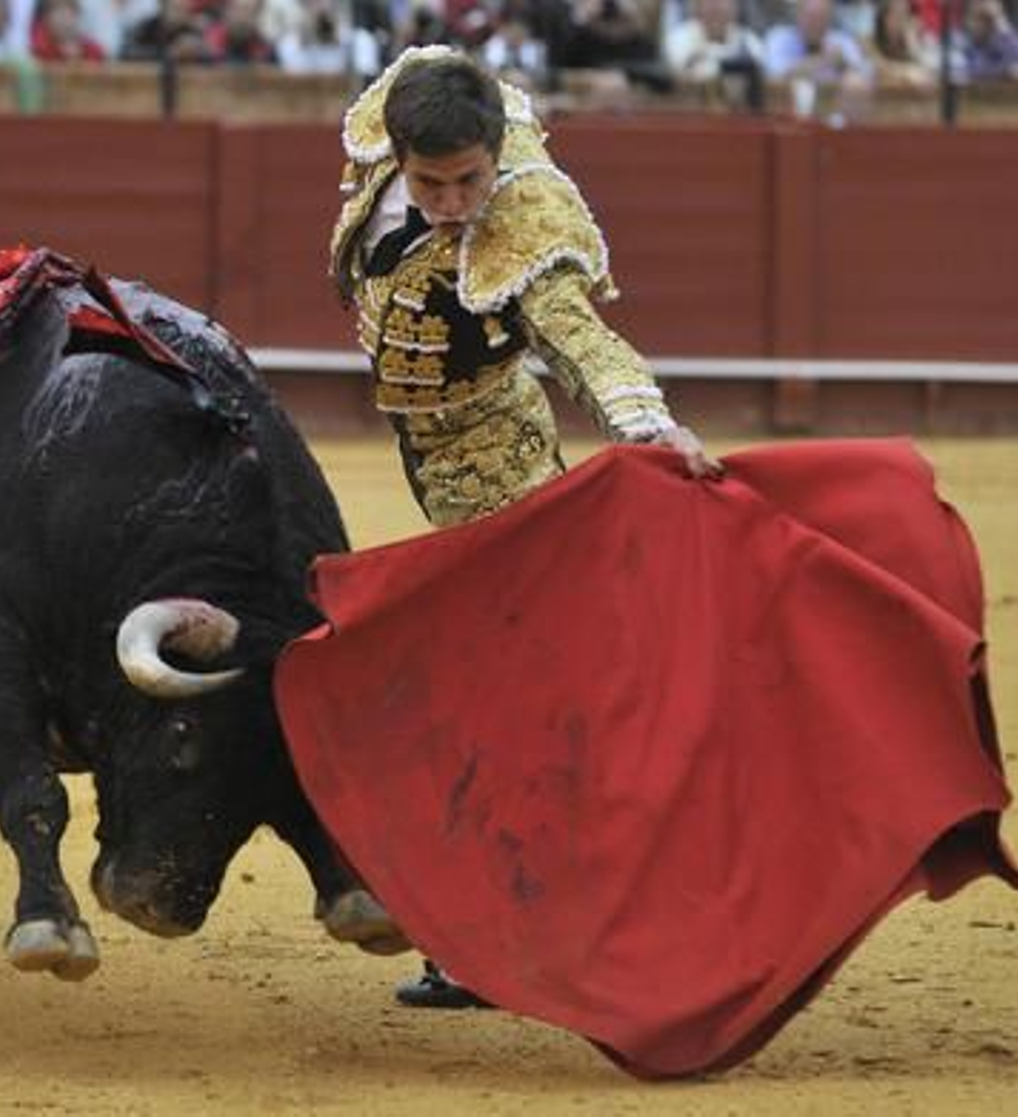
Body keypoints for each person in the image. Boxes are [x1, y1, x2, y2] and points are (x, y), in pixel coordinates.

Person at [327, 46, 719, 1007]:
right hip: (426, 452)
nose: (455, 201)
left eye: (471, 181)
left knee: (494, 702)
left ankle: (506, 931)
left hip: (493, 463)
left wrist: (650, 424)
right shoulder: (398, 126)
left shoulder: (522, 230)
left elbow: (581, 339)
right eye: (434, 183)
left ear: (497, 159)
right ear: (400, 157)